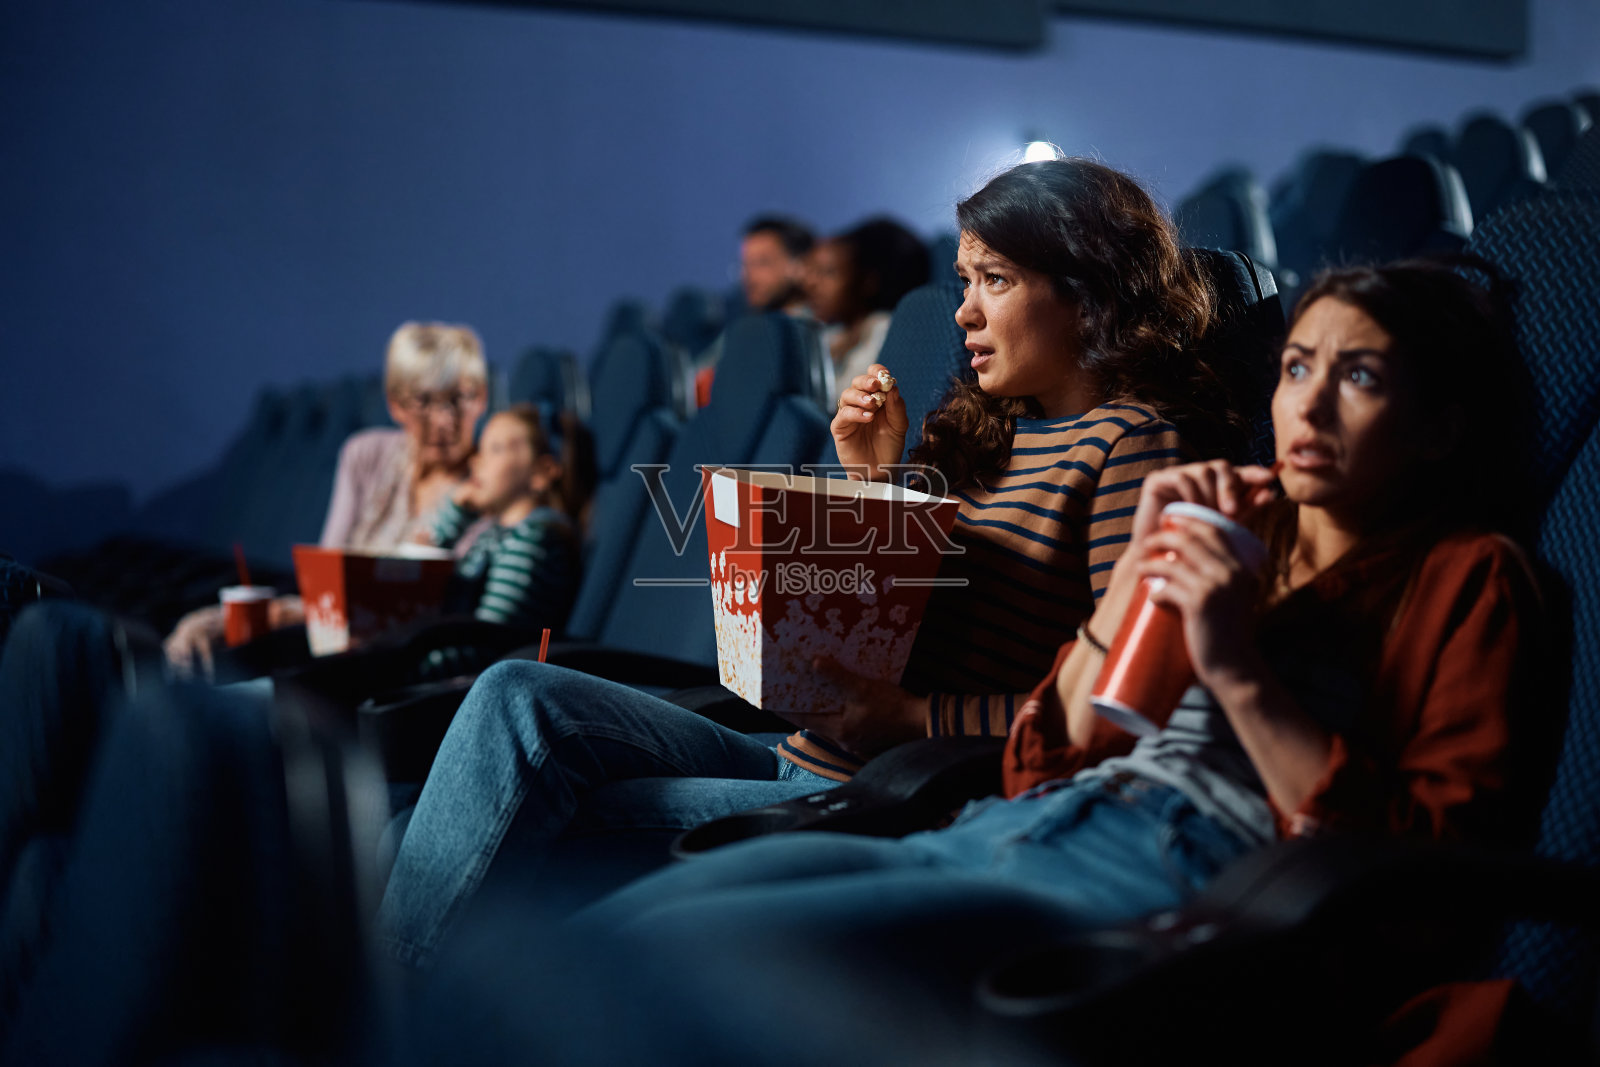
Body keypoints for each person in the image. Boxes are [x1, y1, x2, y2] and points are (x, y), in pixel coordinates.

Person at [510, 259, 1544, 1060]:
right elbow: (1058, 747)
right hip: (1018, 821)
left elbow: (1413, 878)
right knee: (607, 930)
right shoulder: (1240, 521)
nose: (1307, 409)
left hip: (1183, 884)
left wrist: (1232, 666)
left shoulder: (1468, 575)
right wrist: (1141, 574)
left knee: (660, 970)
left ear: (1441, 425)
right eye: (1296, 368)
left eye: (1357, 376)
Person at [376, 157, 1251, 967]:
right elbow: (876, 624)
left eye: (995, 280)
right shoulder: (993, 430)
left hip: (894, 793)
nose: (964, 313)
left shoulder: (1137, 447)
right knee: (513, 693)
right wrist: (868, 480)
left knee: (509, 824)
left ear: (1085, 289)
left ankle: (390, 1026)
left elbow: (1116, 716)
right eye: (963, 282)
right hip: (801, 752)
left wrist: (912, 717)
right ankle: (389, 1010)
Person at [163, 322, 489, 677]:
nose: (445, 420)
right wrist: (225, 621)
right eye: (424, 401)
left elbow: (450, 607)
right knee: (184, 649)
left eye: (460, 399)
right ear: (396, 405)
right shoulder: (365, 455)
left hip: (401, 665)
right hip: (324, 642)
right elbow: (321, 585)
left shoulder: (491, 483)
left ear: (482, 398)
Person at [424, 405, 589, 632]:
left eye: (495, 449)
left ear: (542, 472)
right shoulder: (491, 531)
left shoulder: (532, 539)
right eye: (480, 449)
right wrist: (458, 512)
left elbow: (486, 640)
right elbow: (421, 572)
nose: (476, 461)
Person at [695, 215, 817, 407]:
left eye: (762, 263)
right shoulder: (745, 327)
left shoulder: (821, 330)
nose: (748, 275)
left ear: (800, 266)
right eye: (745, 264)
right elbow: (697, 382)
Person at [806, 216, 931, 385]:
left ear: (867, 282)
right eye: (813, 271)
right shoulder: (831, 335)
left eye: (829, 273)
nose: (811, 283)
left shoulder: (885, 333)